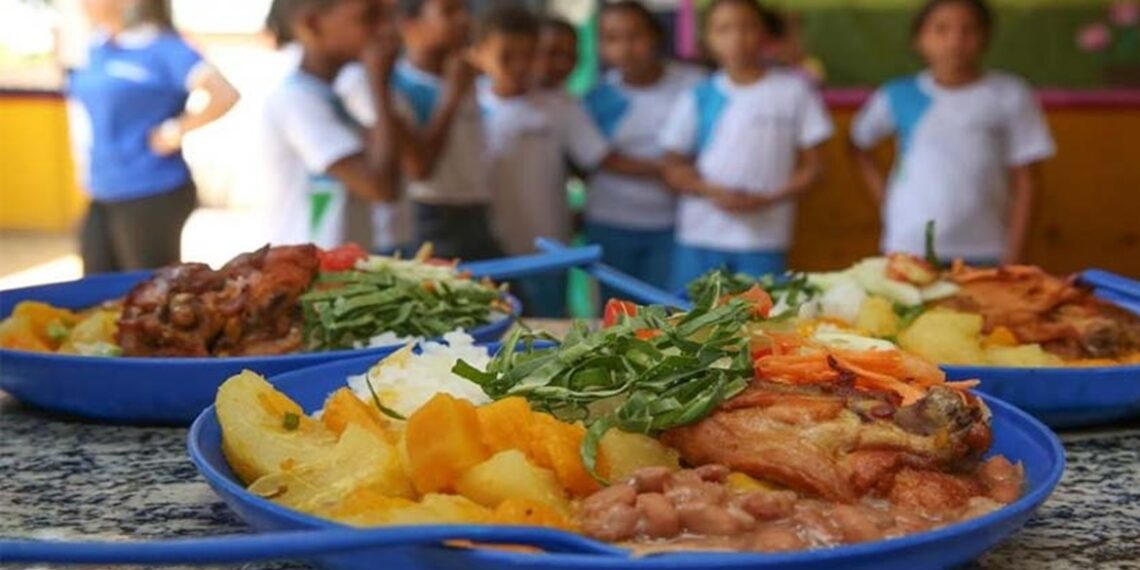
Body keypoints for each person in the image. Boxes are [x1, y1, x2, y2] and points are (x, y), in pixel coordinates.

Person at [850, 0, 1055, 265]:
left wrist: (1014, 254)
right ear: (920, 39)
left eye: (968, 30)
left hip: (986, 247)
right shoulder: (897, 94)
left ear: (985, 37)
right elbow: (858, 145)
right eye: (941, 29)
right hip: (909, 245)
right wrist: (885, 199)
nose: (955, 41)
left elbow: (1027, 181)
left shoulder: (1010, 94)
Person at [660, 0, 833, 289]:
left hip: (764, 238)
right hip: (700, 236)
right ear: (708, 39)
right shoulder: (698, 96)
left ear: (765, 32)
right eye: (723, 29)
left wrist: (767, 199)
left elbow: (815, 167)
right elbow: (671, 166)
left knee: (761, 325)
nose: (736, 38)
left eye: (747, 26)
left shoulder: (793, 91)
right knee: (688, 321)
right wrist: (711, 191)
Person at [70, 0, 239, 273]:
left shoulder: (166, 49)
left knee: (146, 288)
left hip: (151, 189)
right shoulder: (97, 49)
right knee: (96, 287)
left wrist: (173, 132)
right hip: (103, 190)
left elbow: (225, 94)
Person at [473, 5, 614, 317]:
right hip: (487, 249)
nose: (519, 66)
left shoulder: (560, 105)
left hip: (546, 251)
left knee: (544, 330)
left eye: (528, 55)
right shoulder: (468, 105)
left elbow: (598, 160)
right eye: (506, 55)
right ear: (479, 53)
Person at [256, 0, 403, 250]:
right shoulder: (296, 100)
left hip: (340, 268)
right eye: (369, 17)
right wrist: (379, 85)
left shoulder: (333, 94)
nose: (387, 30)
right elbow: (381, 187)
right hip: (309, 272)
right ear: (313, 24)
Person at [582, 0, 705, 294]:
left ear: (656, 37)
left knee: (669, 315)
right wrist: (668, 168)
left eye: (635, 36)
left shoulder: (693, 85)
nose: (625, 48)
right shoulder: (599, 97)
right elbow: (600, 159)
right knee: (615, 318)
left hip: (674, 226)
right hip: (611, 224)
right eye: (612, 38)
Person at [534, 16, 578, 92]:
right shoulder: (511, 100)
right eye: (552, 53)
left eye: (569, 55)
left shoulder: (579, 102)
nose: (562, 64)